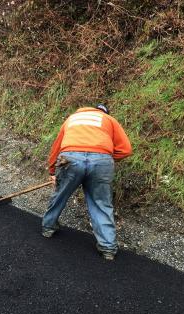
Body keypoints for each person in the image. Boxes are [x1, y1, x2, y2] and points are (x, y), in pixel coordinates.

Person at [41, 104, 132, 261]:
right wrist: (104, 158)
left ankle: (48, 227)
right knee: (101, 203)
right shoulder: (109, 119)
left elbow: (56, 148)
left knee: (60, 195)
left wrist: (52, 171)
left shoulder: (71, 119)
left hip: (69, 159)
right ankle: (108, 248)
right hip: (102, 160)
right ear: (104, 112)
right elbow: (125, 149)